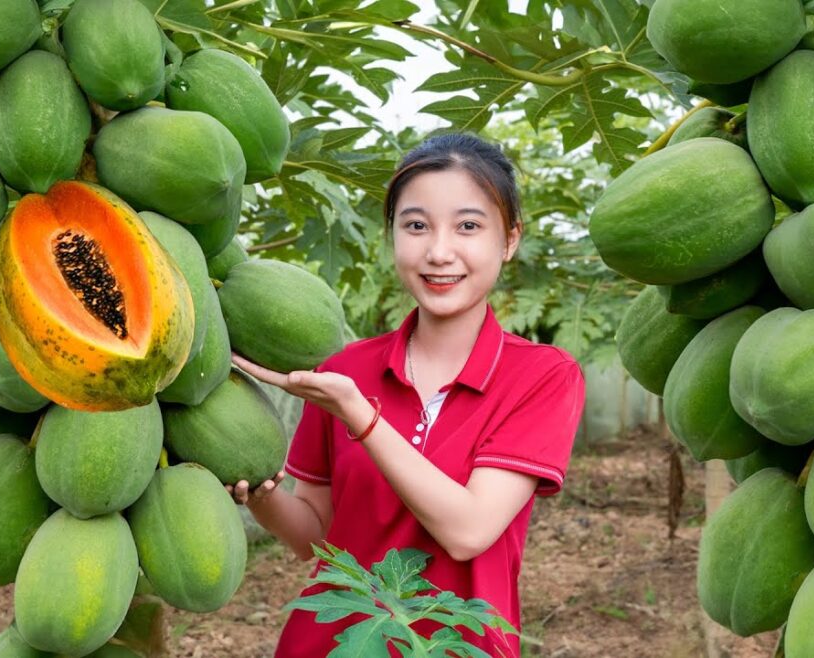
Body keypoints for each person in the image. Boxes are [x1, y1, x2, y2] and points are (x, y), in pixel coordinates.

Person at [230, 132, 586, 658]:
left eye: (468, 226)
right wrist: (260, 495)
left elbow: (468, 530)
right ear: (392, 234)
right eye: (416, 226)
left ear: (509, 240)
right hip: (332, 645)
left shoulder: (541, 376)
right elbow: (313, 537)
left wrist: (361, 417)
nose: (439, 252)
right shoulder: (346, 370)